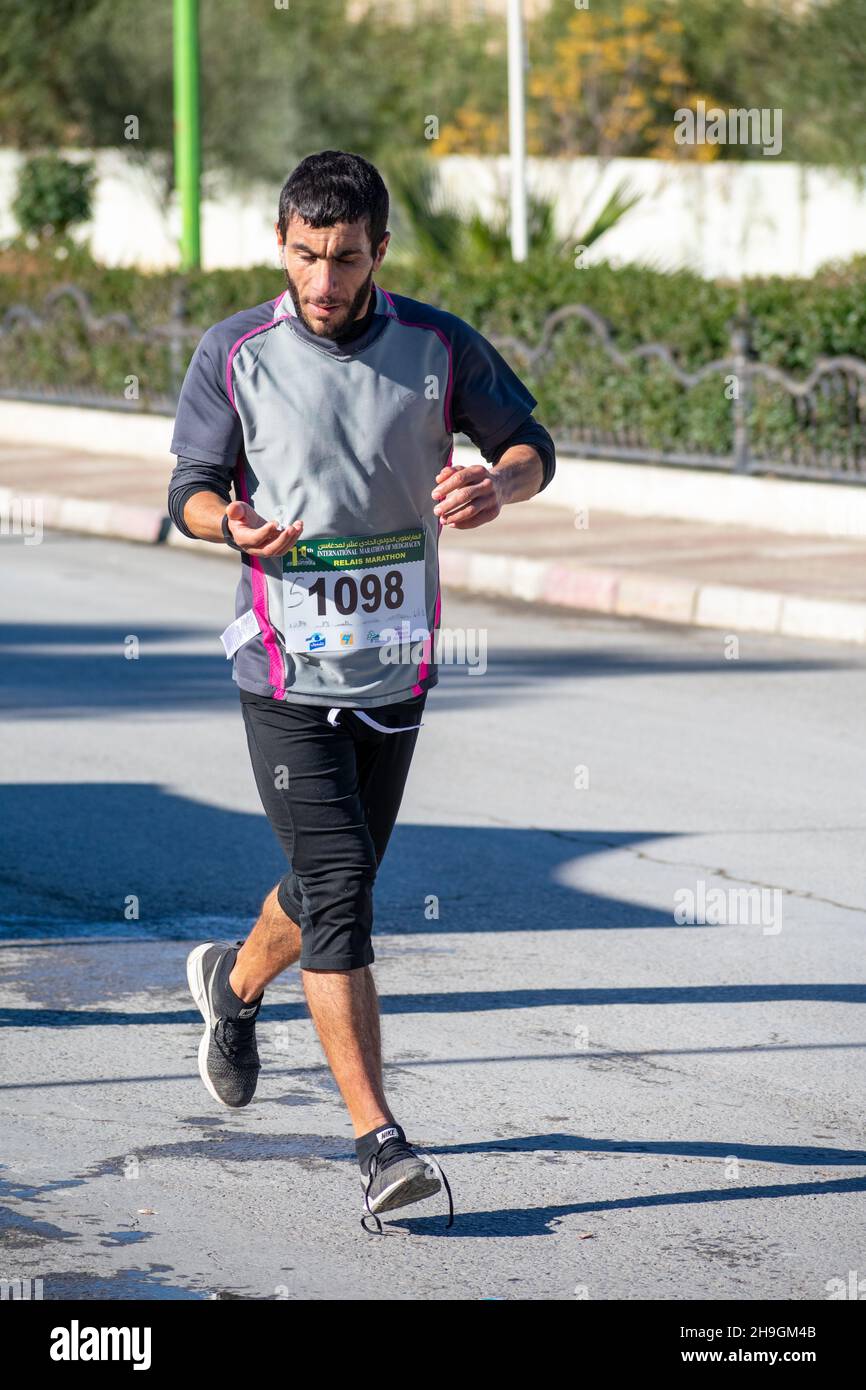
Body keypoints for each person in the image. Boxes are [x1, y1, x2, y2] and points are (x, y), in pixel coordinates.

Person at [167, 149, 556, 1228]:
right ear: (281, 247)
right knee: (341, 884)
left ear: (378, 250)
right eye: (304, 257)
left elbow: (531, 444)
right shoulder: (234, 353)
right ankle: (378, 1143)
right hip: (284, 671)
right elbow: (190, 489)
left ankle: (234, 989)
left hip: (397, 666)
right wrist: (228, 525)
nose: (323, 280)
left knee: (335, 879)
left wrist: (495, 481)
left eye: (344, 258)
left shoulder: (434, 346)